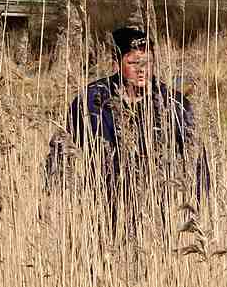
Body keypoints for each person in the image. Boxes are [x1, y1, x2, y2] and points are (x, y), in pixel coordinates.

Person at [45, 25, 209, 237]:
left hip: (157, 211)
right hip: (103, 209)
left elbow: (197, 159)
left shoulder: (173, 104)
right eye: (133, 63)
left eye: (148, 62)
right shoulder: (92, 101)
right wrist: (52, 194)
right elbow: (61, 148)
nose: (142, 69)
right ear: (116, 62)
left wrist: (198, 206)